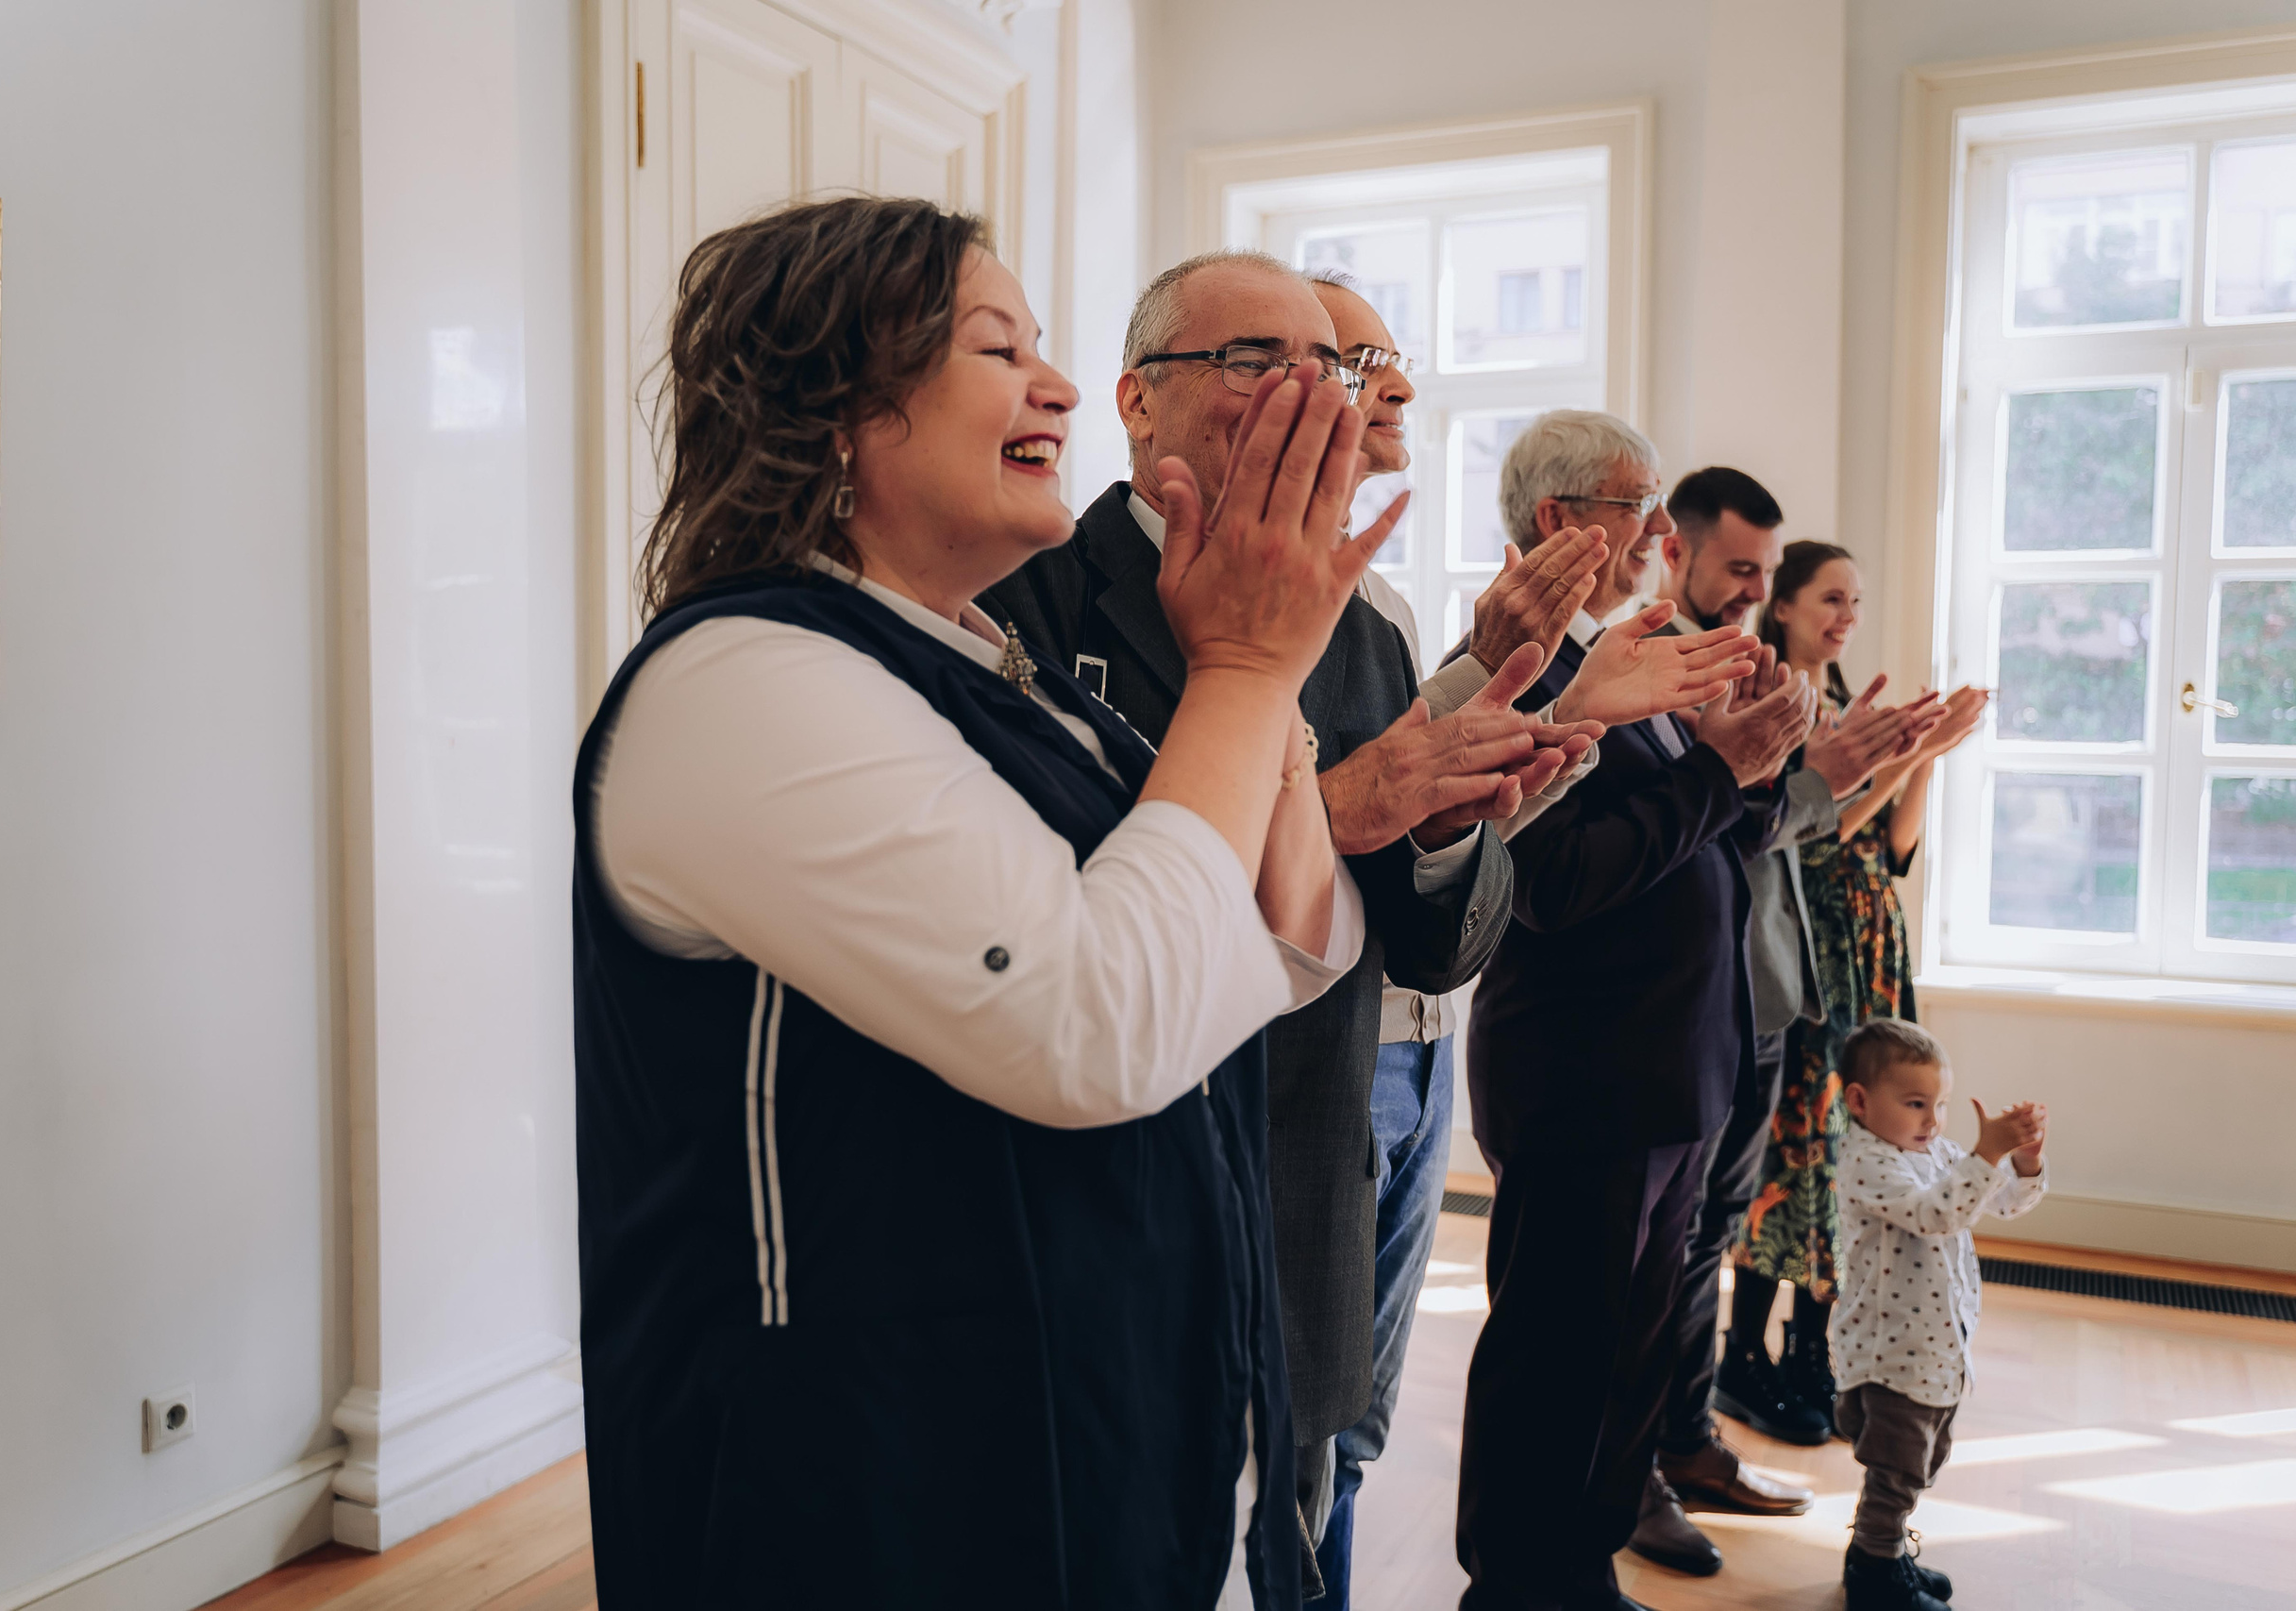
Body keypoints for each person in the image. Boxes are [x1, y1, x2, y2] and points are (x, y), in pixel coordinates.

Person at [575, 196, 1437, 1609]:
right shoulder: (735, 679)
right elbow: (1100, 1022)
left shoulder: (980, 666)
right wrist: (1240, 666)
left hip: (1079, 1416)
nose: (1053, 384)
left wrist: (1267, 672)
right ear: (839, 407)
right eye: (997, 347)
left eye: (1043, 346)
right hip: (869, 1479)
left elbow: (1272, 942)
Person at [985, 249, 1604, 1585]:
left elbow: (1438, 942)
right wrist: (1342, 797)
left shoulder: (1361, 624)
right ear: (1138, 401)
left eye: (1324, 367)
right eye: (1253, 361)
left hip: (1305, 1171)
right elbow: (1069, 912)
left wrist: (1442, 824)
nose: (1303, 393)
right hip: (1108, 1180)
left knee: (1307, 1524)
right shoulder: (1020, 599)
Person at [1455, 411, 1820, 1611]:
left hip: (1674, 1076)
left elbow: (1706, 837)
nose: (1661, 531)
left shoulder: (1633, 652)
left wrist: (1764, 760)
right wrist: (1718, 770)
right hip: (1586, 1082)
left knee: (1626, 1362)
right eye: (1639, 505)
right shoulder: (1534, 677)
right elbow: (1553, 885)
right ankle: (1519, 1584)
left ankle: (1584, 1572)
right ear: (1563, 523)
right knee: (1556, 1364)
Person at [1632, 478, 1946, 1577]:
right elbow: (1750, 833)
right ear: (1674, 553)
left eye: (1769, 579)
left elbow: (1776, 833)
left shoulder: (1746, 669)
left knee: (1711, 1238)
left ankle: (1686, 1439)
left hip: (1768, 990)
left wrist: (1877, 761)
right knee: (1673, 1249)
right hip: (1696, 1000)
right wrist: (1845, 768)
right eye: (1742, 574)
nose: (1758, 599)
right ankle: (1642, 1471)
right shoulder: (1653, 669)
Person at [1730, 544, 1986, 1448]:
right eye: (1831, 598)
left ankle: (1818, 1347)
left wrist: (1927, 758)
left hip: (1870, 939)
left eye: (1856, 599)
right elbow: (1817, 835)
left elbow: (1893, 847)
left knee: (1852, 1153)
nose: (1846, 615)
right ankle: (1749, 1356)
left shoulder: (1844, 708)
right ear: (1786, 607)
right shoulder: (1770, 703)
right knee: (1799, 1152)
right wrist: (1899, 757)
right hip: (1812, 947)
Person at [1832, 1019, 2048, 1610]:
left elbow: (1998, 1201)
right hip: (1892, 1355)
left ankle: (1885, 1549)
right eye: (1916, 1104)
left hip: (1938, 1348)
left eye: (1942, 1104)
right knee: (1896, 1469)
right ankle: (1874, 1574)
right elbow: (1937, 1214)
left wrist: (2022, 1162)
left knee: (1924, 1459)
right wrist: (1987, 1151)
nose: (1933, 1120)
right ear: (1859, 1100)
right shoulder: (1867, 1162)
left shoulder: (1936, 1152)